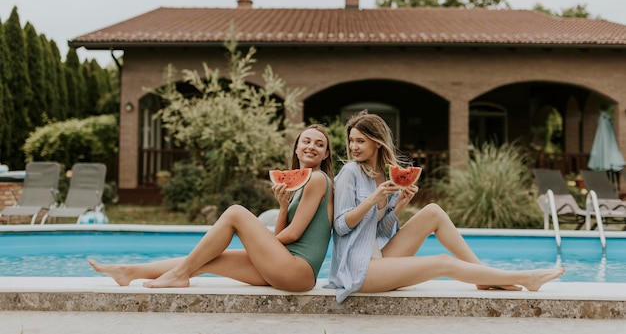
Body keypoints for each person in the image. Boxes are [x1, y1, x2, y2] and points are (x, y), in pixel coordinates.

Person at [325, 111, 565, 303]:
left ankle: (481, 273)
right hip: (358, 269)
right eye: (352, 141)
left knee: (433, 211)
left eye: (360, 141)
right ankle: (525, 278)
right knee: (443, 262)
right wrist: (371, 200)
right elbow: (340, 226)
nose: (354, 146)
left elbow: (379, 231)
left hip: (377, 256)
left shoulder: (382, 174)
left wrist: (398, 206)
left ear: (377, 143)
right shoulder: (349, 173)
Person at [90, 124, 334, 292]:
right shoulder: (299, 184)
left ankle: (177, 275)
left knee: (236, 212)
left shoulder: (318, 179)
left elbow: (292, 235)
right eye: (306, 141)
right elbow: (285, 233)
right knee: (208, 259)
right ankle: (129, 272)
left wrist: (255, 243)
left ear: (325, 154)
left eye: (319, 144)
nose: (312, 146)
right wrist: (283, 207)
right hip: (284, 267)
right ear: (296, 147)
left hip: (297, 271)